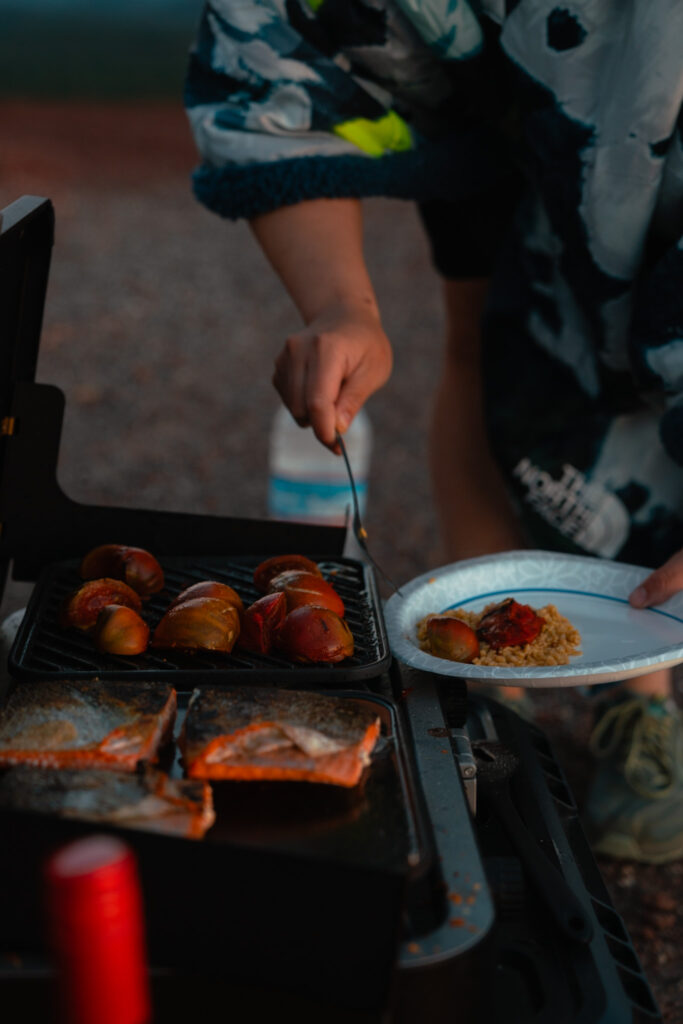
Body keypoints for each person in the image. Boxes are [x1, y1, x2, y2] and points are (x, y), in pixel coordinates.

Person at [184, 0, 683, 863]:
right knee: (489, 340)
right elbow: (269, 55)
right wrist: (344, 305)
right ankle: (491, 681)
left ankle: (640, 695)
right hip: (481, 87)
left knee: (638, 365)